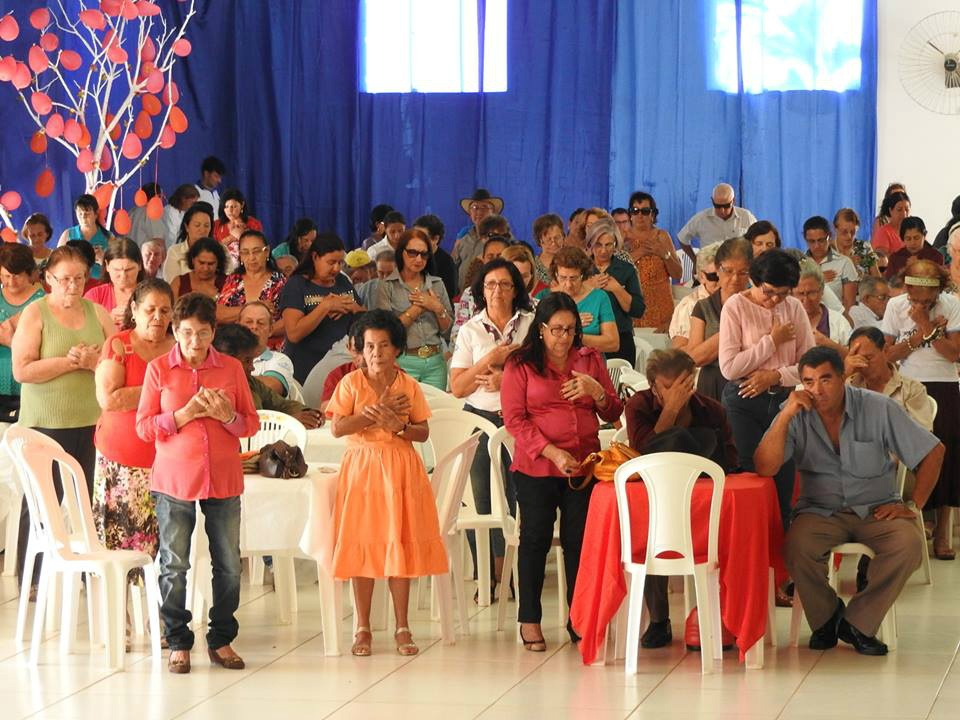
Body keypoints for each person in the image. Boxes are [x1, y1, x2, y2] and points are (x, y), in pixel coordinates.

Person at [755, 347, 944, 656]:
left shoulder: (878, 408)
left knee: (909, 545)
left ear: (843, 378)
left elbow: (933, 452)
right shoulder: (796, 412)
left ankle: (857, 622)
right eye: (809, 381)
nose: (817, 389)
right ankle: (827, 618)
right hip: (820, 511)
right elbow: (765, 466)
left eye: (826, 379)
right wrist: (785, 416)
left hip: (877, 508)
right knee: (796, 547)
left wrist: (913, 506)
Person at [136, 292, 258, 674]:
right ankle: (177, 640)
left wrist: (227, 416)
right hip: (174, 479)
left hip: (223, 476)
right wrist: (182, 415)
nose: (194, 343)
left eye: (203, 334)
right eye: (186, 333)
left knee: (228, 565)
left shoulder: (232, 369)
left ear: (213, 331)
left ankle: (221, 638)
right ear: (174, 330)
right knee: (174, 563)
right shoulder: (158, 370)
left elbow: (250, 425)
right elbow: (143, 428)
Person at [501, 293, 622, 651]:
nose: (563, 338)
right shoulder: (521, 364)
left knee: (580, 543)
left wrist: (596, 391)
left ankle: (579, 618)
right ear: (541, 329)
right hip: (537, 465)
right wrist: (552, 452)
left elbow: (613, 411)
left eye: (570, 330)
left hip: (584, 465)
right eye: (556, 330)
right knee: (535, 540)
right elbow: (514, 420)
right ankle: (529, 619)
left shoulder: (590, 359)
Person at [326, 309, 448, 656]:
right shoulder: (350, 383)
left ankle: (402, 626)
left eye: (383, 346)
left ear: (397, 349)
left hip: (400, 467)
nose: (376, 353)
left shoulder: (409, 385)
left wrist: (397, 427)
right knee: (361, 543)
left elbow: (422, 432)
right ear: (360, 351)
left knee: (400, 543)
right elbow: (336, 428)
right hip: (363, 468)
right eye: (369, 347)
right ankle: (362, 627)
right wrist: (370, 412)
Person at [11, 245, 114, 591]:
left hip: (91, 421)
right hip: (44, 424)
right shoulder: (35, 313)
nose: (73, 286)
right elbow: (22, 369)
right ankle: (35, 579)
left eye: (80, 278)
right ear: (49, 279)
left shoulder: (98, 313)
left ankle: (90, 570)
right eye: (65, 279)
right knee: (43, 501)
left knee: (89, 499)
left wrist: (93, 362)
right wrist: (71, 362)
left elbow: (119, 366)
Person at [624, 348, 738, 648]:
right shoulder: (639, 406)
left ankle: (719, 617)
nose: (677, 392)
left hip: (706, 502)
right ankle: (659, 620)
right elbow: (642, 452)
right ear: (653, 386)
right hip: (656, 501)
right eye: (667, 387)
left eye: (683, 385)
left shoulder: (713, 410)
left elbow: (730, 462)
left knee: (733, 528)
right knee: (650, 535)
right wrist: (670, 411)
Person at [450, 258, 534, 599]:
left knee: (516, 498)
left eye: (504, 284)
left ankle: (513, 572)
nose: (496, 291)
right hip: (480, 419)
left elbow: (545, 374)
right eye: (489, 285)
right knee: (482, 500)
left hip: (521, 419)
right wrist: (489, 360)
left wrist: (507, 378)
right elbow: (458, 387)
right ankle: (489, 574)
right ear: (480, 292)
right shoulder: (471, 330)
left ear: (516, 290)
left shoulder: (531, 324)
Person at [719, 248, 814, 529]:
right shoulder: (735, 306)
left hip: (783, 400)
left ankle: (782, 564)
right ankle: (752, 560)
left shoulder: (794, 308)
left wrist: (774, 376)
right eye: (769, 292)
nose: (775, 300)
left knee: (784, 479)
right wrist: (771, 342)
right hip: (743, 400)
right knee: (751, 480)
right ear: (754, 280)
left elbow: (808, 365)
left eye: (783, 294)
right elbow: (730, 368)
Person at [92, 279, 176, 593]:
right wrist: (163, 391)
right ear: (135, 310)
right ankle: (120, 615)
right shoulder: (118, 344)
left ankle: (163, 615)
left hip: (167, 463)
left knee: (168, 545)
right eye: (150, 309)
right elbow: (109, 399)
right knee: (119, 546)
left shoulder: (179, 347)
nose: (158, 316)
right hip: (121, 463)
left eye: (165, 310)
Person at [881, 258, 960, 559]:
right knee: (910, 454)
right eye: (916, 299)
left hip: (943, 382)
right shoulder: (895, 306)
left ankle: (942, 532)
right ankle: (919, 520)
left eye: (929, 301)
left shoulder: (951, 305)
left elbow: (954, 355)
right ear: (907, 289)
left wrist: (927, 323)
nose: (921, 304)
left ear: (939, 291)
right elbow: (887, 354)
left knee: (947, 452)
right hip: (908, 384)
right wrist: (921, 335)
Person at [279, 233, 363, 383]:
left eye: (340, 263)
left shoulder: (343, 281)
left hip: (342, 365)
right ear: (315, 257)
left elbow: (365, 317)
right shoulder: (296, 285)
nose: (336, 268)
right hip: (306, 367)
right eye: (331, 262)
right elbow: (293, 333)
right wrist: (325, 306)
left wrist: (352, 307)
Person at [375, 228, 453, 388]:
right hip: (402, 361)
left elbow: (447, 330)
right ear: (401, 252)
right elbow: (386, 331)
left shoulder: (437, 283)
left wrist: (436, 307)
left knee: (436, 412)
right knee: (403, 411)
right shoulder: (387, 285)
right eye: (412, 253)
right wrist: (417, 309)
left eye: (424, 254)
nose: (418, 259)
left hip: (435, 361)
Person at [212, 323, 323, 428]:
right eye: (247, 361)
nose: (252, 367)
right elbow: (244, 426)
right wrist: (288, 421)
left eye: (252, 360)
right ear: (226, 360)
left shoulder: (250, 382)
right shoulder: (211, 393)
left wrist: (310, 414)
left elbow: (281, 404)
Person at [687, 237, 753, 400]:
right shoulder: (703, 307)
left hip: (748, 385)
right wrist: (732, 327)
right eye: (728, 271)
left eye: (743, 272)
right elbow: (695, 357)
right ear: (717, 269)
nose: (735, 279)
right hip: (712, 384)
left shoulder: (759, 304)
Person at [845, 327, 933, 432]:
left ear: (885, 350)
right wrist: (844, 374)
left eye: (868, 358)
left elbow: (923, 438)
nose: (864, 365)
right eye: (857, 360)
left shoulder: (912, 390)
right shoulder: (848, 386)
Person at [586, 217, 645, 362]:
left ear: (616, 244)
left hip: (620, 339)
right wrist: (588, 286)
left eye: (609, 245)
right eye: (598, 245)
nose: (603, 250)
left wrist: (617, 289)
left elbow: (638, 310)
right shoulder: (582, 269)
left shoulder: (626, 270)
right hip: (588, 339)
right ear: (590, 245)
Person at [623, 191, 681, 332]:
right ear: (630, 214)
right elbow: (617, 272)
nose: (640, 216)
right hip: (632, 312)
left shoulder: (662, 236)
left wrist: (664, 254)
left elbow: (678, 274)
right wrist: (639, 252)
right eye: (635, 211)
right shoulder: (622, 238)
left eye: (645, 211)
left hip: (661, 313)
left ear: (653, 215)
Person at [543, 247, 618, 354]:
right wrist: (572, 326)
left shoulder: (599, 297)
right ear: (556, 274)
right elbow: (535, 339)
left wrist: (573, 334)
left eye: (573, 278)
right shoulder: (544, 297)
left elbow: (613, 344)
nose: (568, 285)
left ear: (583, 275)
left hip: (591, 367)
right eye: (563, 278)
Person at [216, 230, 287, 343]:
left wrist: (261, 334)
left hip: (268, 348)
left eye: (257, 251)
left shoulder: (280, 281)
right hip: (234, 346)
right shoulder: (234, 279)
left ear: (267, 252)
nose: (251, 257)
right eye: (245, 252)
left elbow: (288, 321)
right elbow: (219, 314)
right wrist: (256, 306)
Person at [0, 244, 45, 420]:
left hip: (27, 383)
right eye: (5, 276)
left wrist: (10, 340)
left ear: (29, 273)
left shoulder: (41, 300)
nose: (11, 282)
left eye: (17, 276)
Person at [451, 236, 510, 348]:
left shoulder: (515, 291)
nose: (495, 261)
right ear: (483, 259)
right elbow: (456, 334)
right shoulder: (470, 293)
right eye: (490, 256)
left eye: (500, 256)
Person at [677, 182, 757, 264]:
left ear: (733, 201)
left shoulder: (746, 217)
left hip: (738, 266)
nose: (722, 210)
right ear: (712, 201)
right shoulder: (701, 218)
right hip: (710, 268)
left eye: (726, 206)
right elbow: (682, 238)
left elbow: (758, 237)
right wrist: (695, 260)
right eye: (718, 206)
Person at [239, 301, 297, 398]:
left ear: (270, 330)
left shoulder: (280, 359)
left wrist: (231, 377)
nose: (254, 327)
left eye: (261, 323)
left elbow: (273, 387)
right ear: (238, 326)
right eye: (248, 322)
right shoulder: (225, 356)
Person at [84, 237, 145, 330]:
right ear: (107, 266)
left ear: (140, 265)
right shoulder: (95, 295)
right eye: (117, 270)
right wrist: (107, 320)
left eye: (129, 269)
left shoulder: (151, 294)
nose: (123, 275)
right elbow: (81, 329)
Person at [793, 261, 852, 357]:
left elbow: (854, 357)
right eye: (800, 294)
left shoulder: (838, 321)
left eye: (811, 293)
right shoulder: (785, 320)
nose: (806, 300)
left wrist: (829, 344)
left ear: (822, 291)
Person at [453, 188, 504, 291]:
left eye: (485, 207)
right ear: (470, 212)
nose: (479, 211)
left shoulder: (502, 237)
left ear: (493, 211)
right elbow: (453, 264)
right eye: (475, 207)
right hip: (462, 297)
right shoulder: (463, 237)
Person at [670, 245, 719, 350]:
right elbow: (679, 351)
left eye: (725, 274)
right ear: (702, 277)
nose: (721, 281)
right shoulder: (689, 305)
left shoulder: (737, 298)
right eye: (714, 277)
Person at [804, 216, 858, 311]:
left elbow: (849, 304)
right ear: (805, 239)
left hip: (835, 321)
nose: (817, 246)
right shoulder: (799, 263)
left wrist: (844, 324)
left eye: (821, 240)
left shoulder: (844, 263)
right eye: (811, 241)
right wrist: (819, 279)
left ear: (830, 236)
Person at [57, 194, 112, 278]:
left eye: (87, 213)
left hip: (100, 283)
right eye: (80, 213)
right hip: (75, 284)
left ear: (96, 213)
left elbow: (117, 267)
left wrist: (103, 260)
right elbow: (57, 263)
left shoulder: (108, 237)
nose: (83, 217)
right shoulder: (68, 235)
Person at [162, 202, 215, 281]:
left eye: (206, 226)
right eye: (197, 225)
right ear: (187, 227)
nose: (202, 230)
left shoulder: (221, 250)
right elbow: (171, 283)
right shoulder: (175, 252)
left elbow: (228, 281)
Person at [213, 189, 262, 269]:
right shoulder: (216, 225)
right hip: (222, 267)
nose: (230, 211)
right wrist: (232, 237)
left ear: (242, 205)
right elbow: (213, 250)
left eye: (234, 206)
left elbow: (259, 248)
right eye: (226, 207)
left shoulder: (253, 223)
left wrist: (242, 236)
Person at [413, 214, 457, 303]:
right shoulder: (410, 255)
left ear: (436, 239)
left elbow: (450, 293)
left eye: (422, 237)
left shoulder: (447, 263)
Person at [833, 208, 879, 278]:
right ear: (835, 229)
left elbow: (877, 278)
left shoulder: (864, 247)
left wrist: (861, 275)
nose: (849, 236)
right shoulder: (827, 249)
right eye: (844, 232)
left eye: (853, 232)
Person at [871, 191, 910, 256]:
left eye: (907, 209)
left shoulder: (913, 230)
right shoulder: (883, 233)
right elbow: (882, 261)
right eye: (899, 210)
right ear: (890, 210)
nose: (904, 214)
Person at [128, 183, 167, 248]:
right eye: (161, 196)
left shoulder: (132, 211)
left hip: (129, 254)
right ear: (158, 196)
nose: (162, 200)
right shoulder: (153, 213)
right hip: (146, 255)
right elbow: (159, 240)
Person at [161, 184, 200, 249]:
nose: (193, 206)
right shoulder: (168, 212)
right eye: (192, 203)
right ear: (183, 199)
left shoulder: (183, 212)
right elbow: (171, 238)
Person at [532, 213, 565, 285]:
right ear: (540, 240)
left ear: (563, 237)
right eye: (549, 239)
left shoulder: (571, 262)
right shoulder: (532, 266)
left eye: (557, 238)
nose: (554, 243)